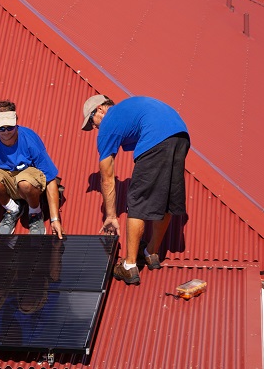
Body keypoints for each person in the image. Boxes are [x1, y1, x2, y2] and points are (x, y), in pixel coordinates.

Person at [81, 95, 190, 285]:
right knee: (164, 200)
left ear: (99, 110)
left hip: (158, 138)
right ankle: (151, 253)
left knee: (136, 202)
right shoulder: (127, 111)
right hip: (181, 135)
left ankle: (129, 266)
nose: (95, 128)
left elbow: (107, 177)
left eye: (92, 122)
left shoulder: (108, 123)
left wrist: (111, 215)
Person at [0, 101, 63, 237]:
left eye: (10, 127)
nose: (6, 132)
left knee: (24, 182)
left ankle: (35, 212)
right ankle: (13, 208)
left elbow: (50, 179)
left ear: (16, 120)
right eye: (1, 128)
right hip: (8, 183)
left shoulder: (30, 139)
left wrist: (55, 219)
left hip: (29, 183)